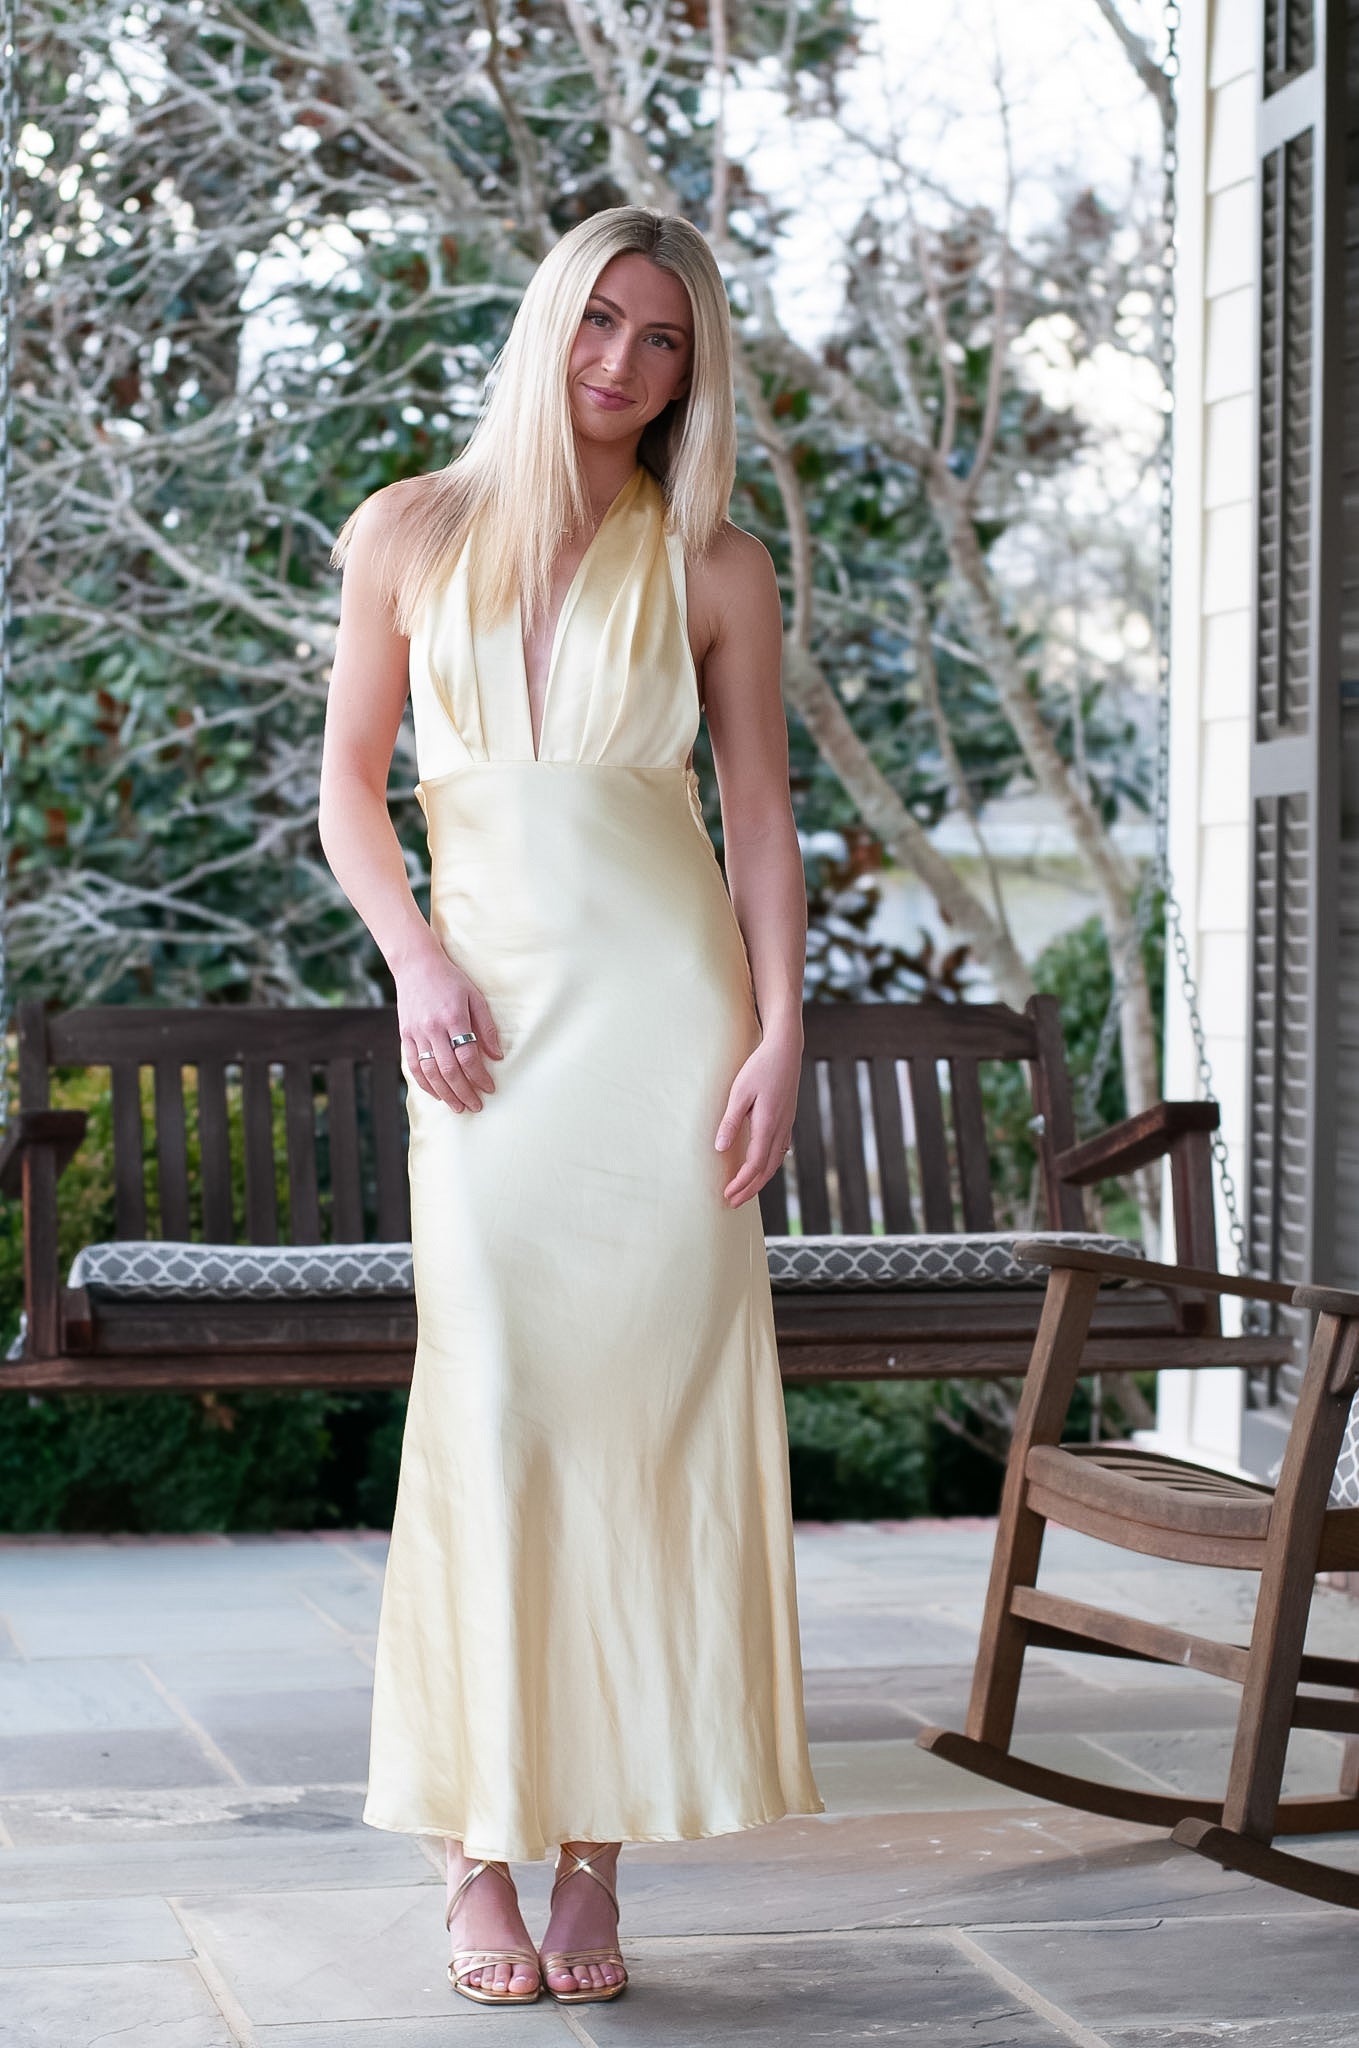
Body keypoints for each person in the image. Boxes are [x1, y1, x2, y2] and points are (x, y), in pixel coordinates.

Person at [319, 204, 823, 2011]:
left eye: (664, 341)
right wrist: (418, 964)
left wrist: (777, 1032)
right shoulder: (406, 532)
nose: (623, 362)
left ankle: (594, 1854)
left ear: (695, 372)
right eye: (600, 322)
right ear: (550, 325)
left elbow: (756, 822)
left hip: (665, 1031)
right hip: (489, 1042)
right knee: (498, 1411)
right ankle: (474, 1855)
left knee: (643, 1428)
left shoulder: (715, 561)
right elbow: (355, 798)